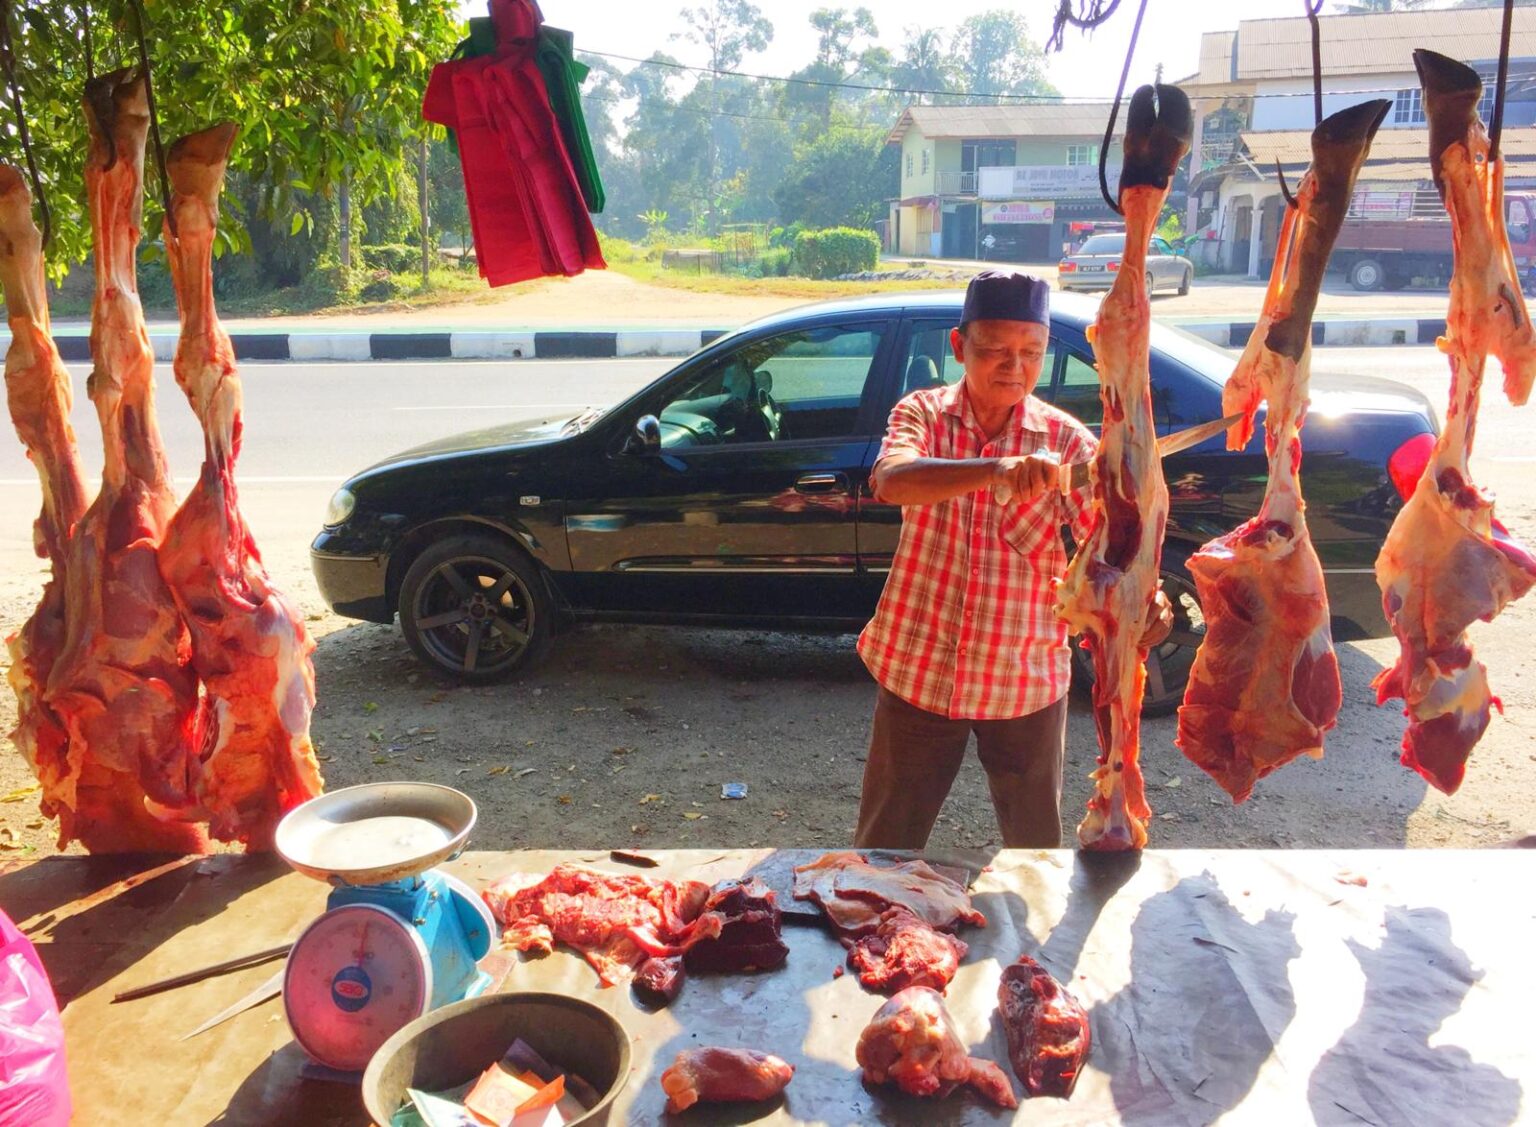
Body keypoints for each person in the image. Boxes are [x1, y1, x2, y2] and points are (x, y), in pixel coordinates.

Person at [854, 270, 1172, 850]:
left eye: (1030, 353)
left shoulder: (1068, 441)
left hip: (1023, 680)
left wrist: (1146, 603)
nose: (1014, 367)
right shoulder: (922, 413)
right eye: (996, 350)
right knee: (885, 848)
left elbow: (1110, 552)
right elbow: (892, 480)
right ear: (959, 347)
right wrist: (993, 470)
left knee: (1037, 858)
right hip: (918, 669)